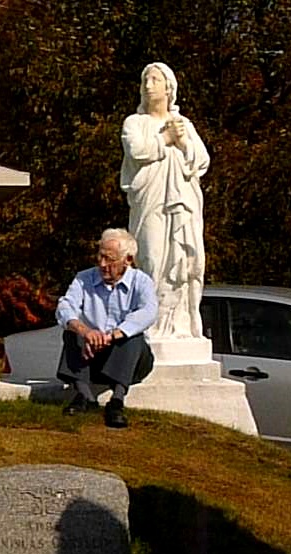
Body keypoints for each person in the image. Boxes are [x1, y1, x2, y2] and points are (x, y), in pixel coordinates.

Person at [120, 62, 210, 340]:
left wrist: (183, 143)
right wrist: (167, 139)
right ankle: (150, 322)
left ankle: (180, 325)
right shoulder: (135, 123)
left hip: (183, 203)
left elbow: (202, 160)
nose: (149, 85)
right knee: (151, 257)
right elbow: (136, 151)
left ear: (169, 88)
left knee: (184, 259)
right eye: (146, 80)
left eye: (155, 80)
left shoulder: (185, 125)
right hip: (151, 200)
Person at [55, 228, 158, 429]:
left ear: (127, 260)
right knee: (71, 332)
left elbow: (148, 312)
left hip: (128, 359)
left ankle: (117, 401)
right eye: (100, 257)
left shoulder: (141, 281)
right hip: (91, 355)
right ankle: (84, 396)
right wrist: (85, 331)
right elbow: (65, 306)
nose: (102, 264)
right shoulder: (84, 278)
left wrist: (112, 336)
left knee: (131, 336)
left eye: (109, 259)